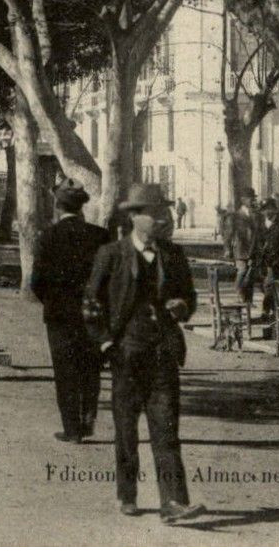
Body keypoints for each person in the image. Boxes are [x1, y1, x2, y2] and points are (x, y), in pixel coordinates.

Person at [83, 183, 203, 524]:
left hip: (163, 353)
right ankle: (127, 494)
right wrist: (107, 344)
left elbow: (189, 298)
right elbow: (91, 305)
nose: (163, 219)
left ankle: (174, 503)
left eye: (164, 213)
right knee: (126, 430)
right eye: (155, 213)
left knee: (166, 430)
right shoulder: (111, 255)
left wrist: (183, 307)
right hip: (126, 354)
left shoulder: (174, 255)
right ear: (135, 217)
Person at [29, 181, 108, 442]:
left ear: (57, 205)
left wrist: (52, 301)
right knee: (91, 368)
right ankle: (87, 421)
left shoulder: (47, 237)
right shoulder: (101, 236)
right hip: (93, 314)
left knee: (65, 371)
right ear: (82, 205)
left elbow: (37, 282)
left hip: (60, 315)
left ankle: (72, 430)